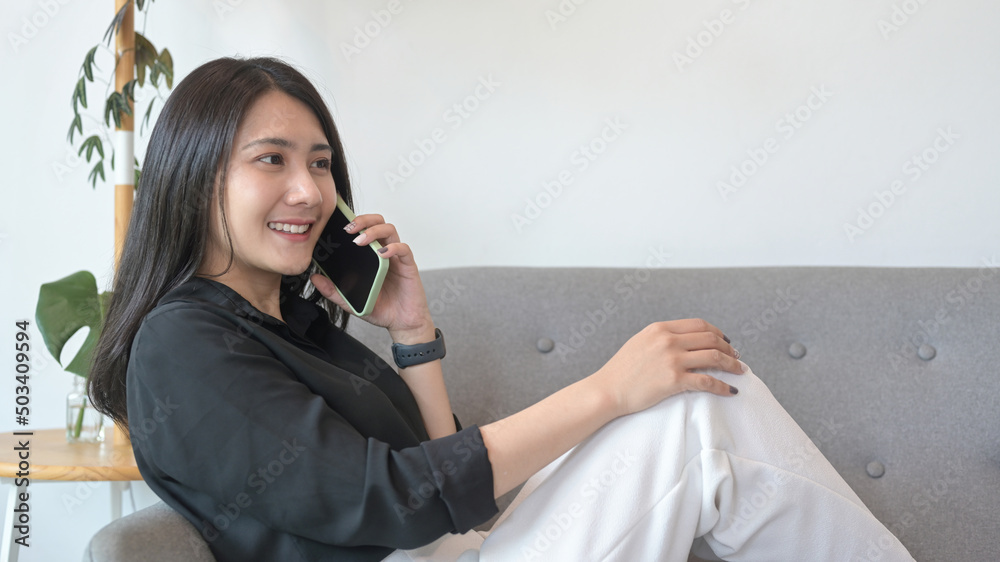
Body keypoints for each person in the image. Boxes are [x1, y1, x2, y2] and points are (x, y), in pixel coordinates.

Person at [88, 56, 914, 562]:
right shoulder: (182, 343)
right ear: (195, 176)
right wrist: (608, 391)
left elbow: (448, 493)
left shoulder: (296, 328)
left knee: (701, 398)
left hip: (462, 551)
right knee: (692, 415)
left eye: (321, 163)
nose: (308, 190)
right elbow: (395, 502)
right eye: (271, 160)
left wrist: (412, 335)